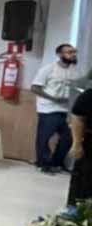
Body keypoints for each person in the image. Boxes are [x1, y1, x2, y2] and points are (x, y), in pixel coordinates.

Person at [32, 43, 82, 174]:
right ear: (60, 55)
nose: (73, 55)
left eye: (74, 52)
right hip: (48, 108)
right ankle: (43, 164)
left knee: (68, 138)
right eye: (69, 52)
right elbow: (35, 88)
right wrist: (53, 98)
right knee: (45, 137)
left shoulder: (76, 71)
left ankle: (57, 163)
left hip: (66, 110)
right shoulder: (48, 69)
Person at [68, 87, 92, 205]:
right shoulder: (89, 95)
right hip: (90, 148)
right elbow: (78, 116)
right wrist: (76, 143)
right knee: (84, 186)